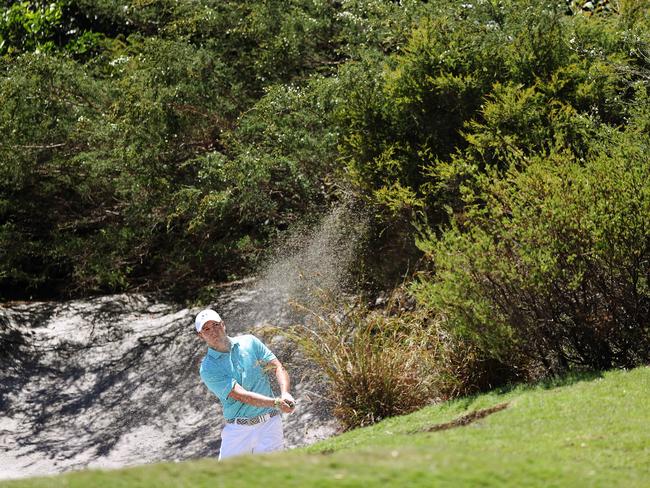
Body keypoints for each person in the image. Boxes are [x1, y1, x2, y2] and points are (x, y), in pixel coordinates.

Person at [195, 308, 296, 460]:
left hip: (270, 424)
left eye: (215, 325)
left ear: (223, 325)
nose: (213, 331)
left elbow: (277, 366)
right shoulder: (208, 368)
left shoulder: (249, 341)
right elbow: (241, 395)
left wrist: (285, 393)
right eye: (206, 329)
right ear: (200, 335)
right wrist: (275, 402)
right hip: (238, 431)